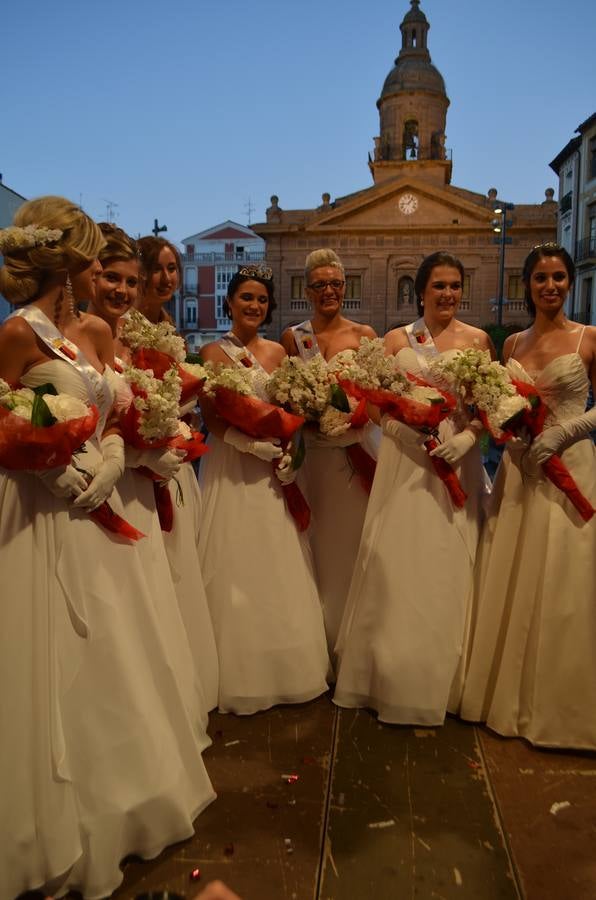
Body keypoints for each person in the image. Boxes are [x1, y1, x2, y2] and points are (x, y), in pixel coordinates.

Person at [0, 197, 215, 899]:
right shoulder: (17, 333)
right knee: (59, 657)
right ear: (68, 261)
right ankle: (60, 824)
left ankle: (121, 802)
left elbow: (110, 407)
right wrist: (49, 467)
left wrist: (118, 454)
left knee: (116, 652)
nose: (103, 271)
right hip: (46, 512)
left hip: (102, 498)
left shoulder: (85, 331)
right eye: (93, 258)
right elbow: (5, 422)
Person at [334, 251, 494, 725]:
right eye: (438, 286)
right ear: (418, 291)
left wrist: (468, 437)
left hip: (455, 458)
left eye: (455, 285)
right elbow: (374, 401)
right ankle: (390, 673)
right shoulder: (394, 340)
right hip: (405, 459)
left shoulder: (479, 339)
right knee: (399, 558)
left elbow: (488, 406)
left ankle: (444, 678)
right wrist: (400, 432)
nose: (447, 294)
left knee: (447, 557)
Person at [459, 243, 596, 749]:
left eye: (559, 276)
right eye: (540, 278)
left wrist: (566, 433)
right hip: (520, 472)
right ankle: (508, 698)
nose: (551, 286)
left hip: (571, 468)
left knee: (565, 579)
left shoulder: (589, 338)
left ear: (568, 281)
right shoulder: (511, 346)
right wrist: (511, 438)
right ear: (527, 285)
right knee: (515, 575)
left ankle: (564, 708)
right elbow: (498, 407)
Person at [88, 225, 212, 742]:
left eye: (167, 270)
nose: (159, 279)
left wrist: (177, 431)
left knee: (168, 581)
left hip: (162, 466)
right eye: (111, 277)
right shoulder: (103, 334)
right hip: (121, 473)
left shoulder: (163, 335)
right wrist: (141, 446)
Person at [199, 265, 329, 714]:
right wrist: (245, 443)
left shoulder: (279, 352)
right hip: (234, 463)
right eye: (246, 298)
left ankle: (284, 664)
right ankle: (236, 670)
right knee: (236, 559)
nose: (254, 306)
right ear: (229, 302)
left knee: (279, 559)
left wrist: (293, 456)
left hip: (275, 466)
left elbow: (293, 410)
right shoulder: (213, 352)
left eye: (261, 300)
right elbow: (211, 417)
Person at [133, 235, 220, 711]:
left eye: (174, 269)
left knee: (182, 563)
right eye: (158, 269)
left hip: (178, 459)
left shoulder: (172, 327)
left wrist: (186, 421)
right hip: (143, 461)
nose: (167, 279)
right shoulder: (121, 328)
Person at [280, 249, 378, 657]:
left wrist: (351, 422)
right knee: (312, 544)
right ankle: (315, 642)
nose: (329, 292)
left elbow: (375, 398)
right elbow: (285, 398)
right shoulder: (293, 337)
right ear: (307, 291)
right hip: (312, 457)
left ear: (345, 286)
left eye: (335, 284)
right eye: (320, 285)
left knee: (351, 545)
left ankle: (354, 641)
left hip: (353, 452)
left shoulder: (364, 335)